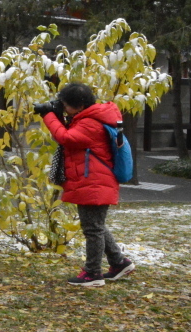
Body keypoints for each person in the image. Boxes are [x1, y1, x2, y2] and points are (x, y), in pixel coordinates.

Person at [34, 82, 135, 287]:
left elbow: (66, 138)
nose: (63, 107)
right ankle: (118, 262)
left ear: (79, 105)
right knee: (95, 225)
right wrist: (59, 115)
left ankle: (92, 274)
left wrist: (49, 115)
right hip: (93, 180)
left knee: (92, 229)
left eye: (65, 104)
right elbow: (67, 135)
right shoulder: (87, 118)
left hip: (95, 181)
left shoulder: (91, 123)